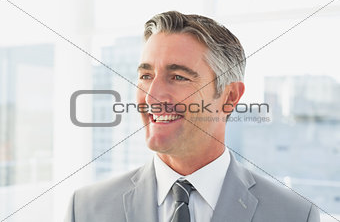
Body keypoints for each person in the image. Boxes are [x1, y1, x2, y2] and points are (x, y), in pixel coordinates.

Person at [65, 11, 320, 222]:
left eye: (178, 77)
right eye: (145, 76)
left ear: (229, 97)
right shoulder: (86, 209)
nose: (152, 97)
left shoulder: (294, 215)